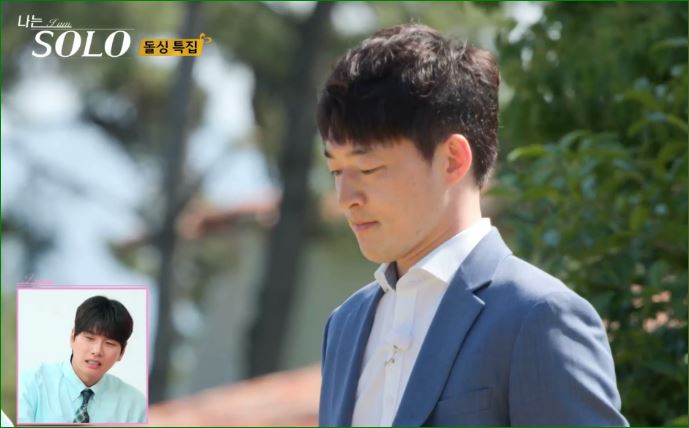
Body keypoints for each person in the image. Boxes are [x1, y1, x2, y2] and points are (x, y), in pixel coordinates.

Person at [316, 23, 628, 426]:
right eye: (335, 171)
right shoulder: (344, 326)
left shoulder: (540, 317)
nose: (345, 198)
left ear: (452, 160)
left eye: (368, 168)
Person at [18, 295, 146, 424]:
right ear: (72, 337)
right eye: (90, 338)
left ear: (122, 352)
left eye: (109, 343)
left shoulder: (135, 406)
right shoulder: (30, 383)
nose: (97, 351)